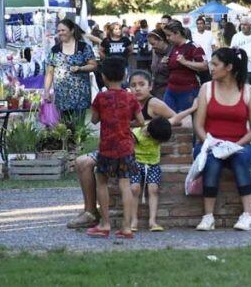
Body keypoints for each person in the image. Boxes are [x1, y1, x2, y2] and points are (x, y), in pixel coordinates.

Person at [67, 70, 193, 229]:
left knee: (109, 176)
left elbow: (176, 120)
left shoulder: (154, 104)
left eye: (142, 85)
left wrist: (149, 127)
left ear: (150, 86)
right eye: (133, 85)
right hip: (113, 146)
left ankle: (114, 221)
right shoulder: (124, 99)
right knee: (81, 162)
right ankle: (90, 211)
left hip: (134, 152)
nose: (137, 89)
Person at [194, 47, 251, 231]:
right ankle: (208, 216)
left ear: (229, 67)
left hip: (239, 144)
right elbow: (198, 125)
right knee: (213, 161)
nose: (211, 68)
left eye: (215, 64)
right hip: (210, 143)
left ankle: (247, 215)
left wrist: (235, 145)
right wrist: (210, 143)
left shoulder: (247, 91)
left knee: (240, 159)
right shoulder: (206, 89)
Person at [86, 57, 144, 238]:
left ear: (103, 76)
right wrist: (126, 124)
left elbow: (94, 120)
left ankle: (105, 224)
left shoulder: (100, 97)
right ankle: (127, 227)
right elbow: (141, 122)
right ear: (125, 74)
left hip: (107, 147)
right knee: (125, 184)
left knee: (101, 181)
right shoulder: (131, 97)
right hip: (126, 147)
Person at [44, 19, 98, 129]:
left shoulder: (83, 47)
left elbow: (93, 65)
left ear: (72, 30)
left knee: (78, 128)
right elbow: (50, 72)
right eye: (58, 31)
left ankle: (77, 146)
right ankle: (65, 146)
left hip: (80, 96)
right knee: (63, 128)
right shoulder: (54, 50)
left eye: (63, 30)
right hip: (61, 96)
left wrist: (80, 68)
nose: (60, 33)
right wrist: (46, 91)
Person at [129, 116, 173, 232]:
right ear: (149, 134)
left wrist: (190, 109)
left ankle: (152, 221)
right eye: (158, 141)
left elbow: (176, 118)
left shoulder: (159, 128)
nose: (159, 143)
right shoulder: (136, 134)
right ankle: (134, 220)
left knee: (153, 189)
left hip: (153, 164)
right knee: (134, 188)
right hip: (136, 163)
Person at [163, 20, 208, 113]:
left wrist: (186, 62)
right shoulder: (172, 48)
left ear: (177, 33)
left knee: (185, 121)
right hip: (171, 89)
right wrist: (165, 62)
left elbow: (204, 66)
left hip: (188, 91)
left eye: (169, 35)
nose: (167, 38)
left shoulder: (194, 47)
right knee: (168, 118)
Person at [148, 28, 172, 99]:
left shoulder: (172, 52)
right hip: (156, 89)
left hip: (168, 90)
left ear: (161, 40)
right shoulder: (155, 52)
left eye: (153, 44)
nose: (152, 47)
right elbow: (154, 70)